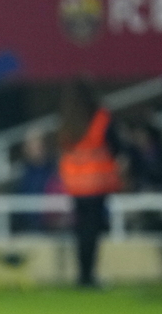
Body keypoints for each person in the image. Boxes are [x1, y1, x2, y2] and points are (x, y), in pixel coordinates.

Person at [58, 80, 122, 288]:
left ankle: (82, 274)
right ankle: (89, 275)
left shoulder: (67, 118)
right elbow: (115, 146)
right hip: (96, 183)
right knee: (93, 230)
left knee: (81, 230)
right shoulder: (101, 118)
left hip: (75, 184)